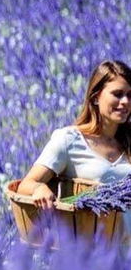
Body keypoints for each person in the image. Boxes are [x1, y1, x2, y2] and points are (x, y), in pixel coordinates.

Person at [17, 60, 131, 209]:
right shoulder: (69, 139)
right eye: (118, 94)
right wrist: (39, 189)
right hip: (90, 231)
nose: (125, 102)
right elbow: (26, 185)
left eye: (130, 95)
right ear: (96, 97)